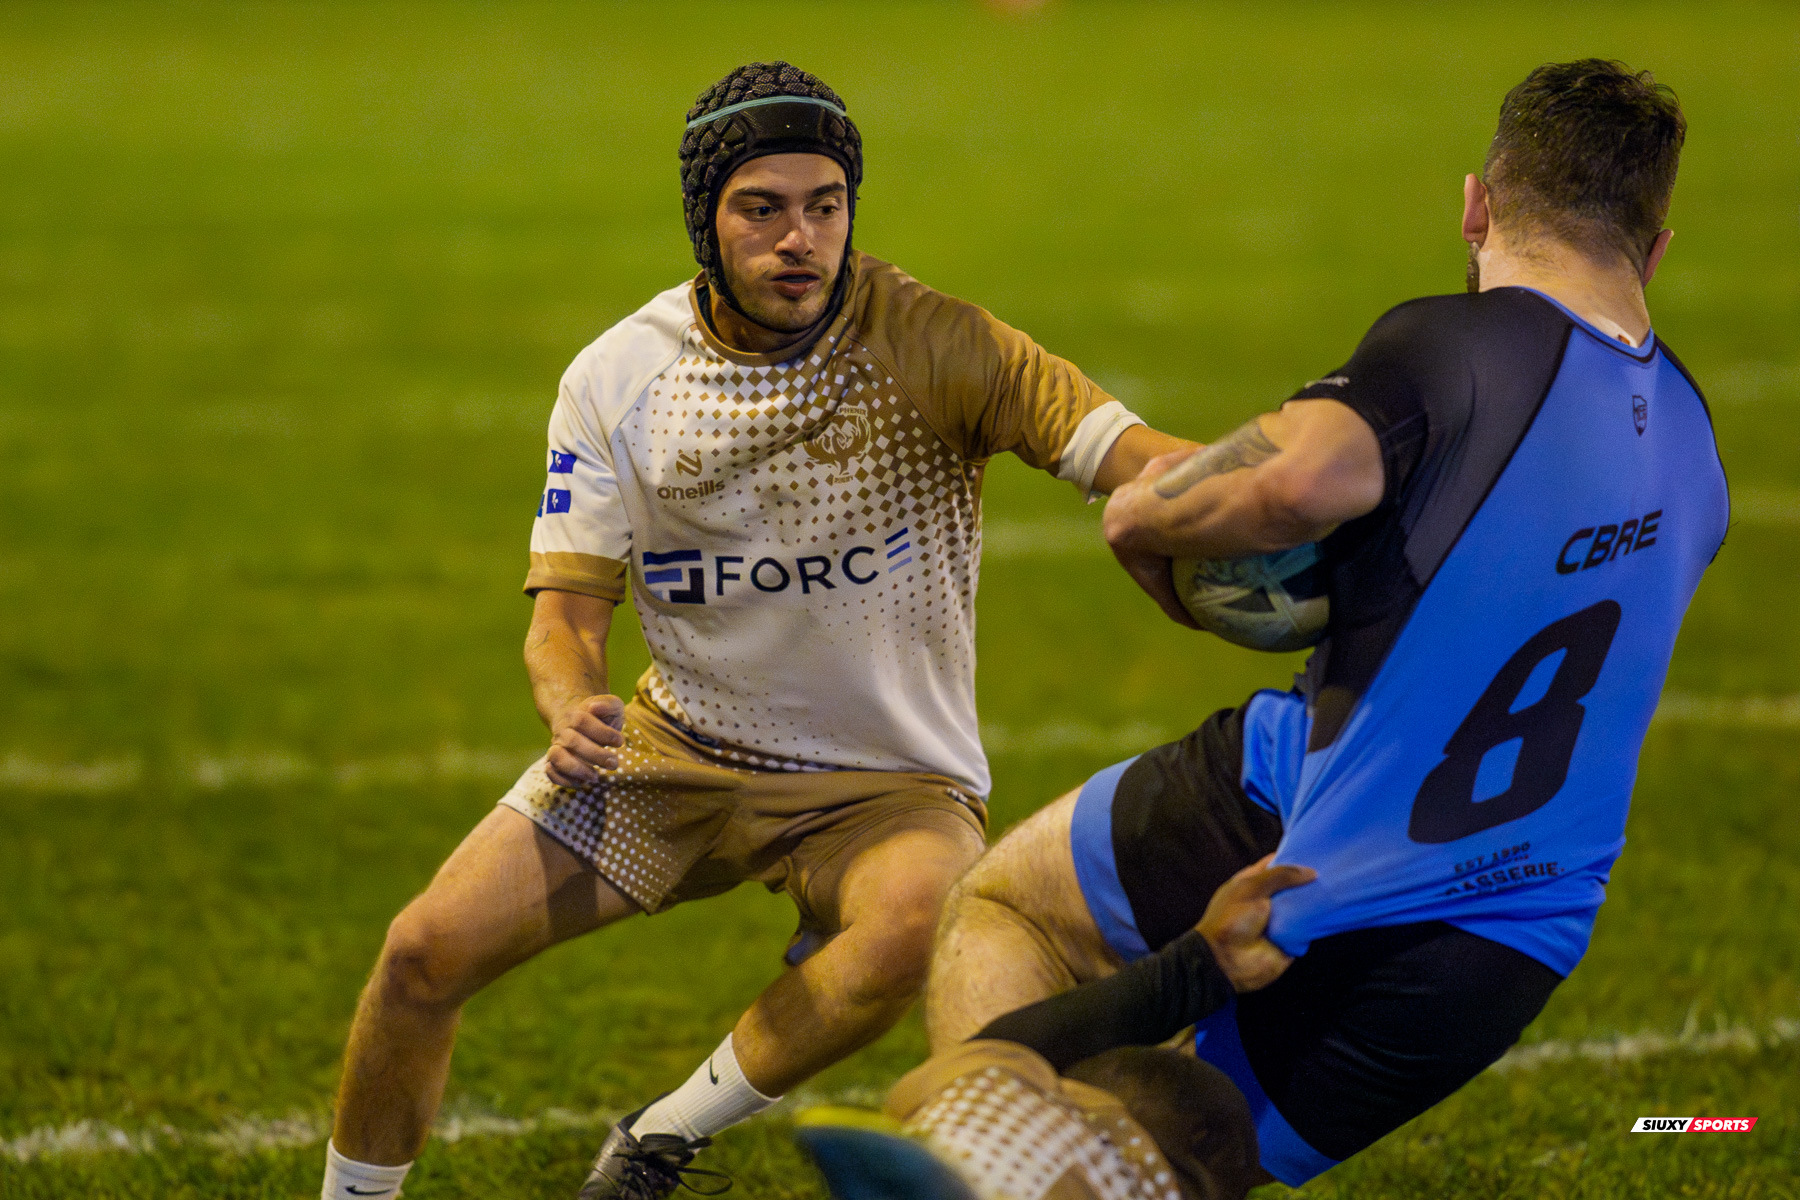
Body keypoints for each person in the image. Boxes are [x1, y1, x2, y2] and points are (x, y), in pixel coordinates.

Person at [318, 61, 1190, 1200]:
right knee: (421, 954)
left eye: (825, 205)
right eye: (762, 208)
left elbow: (1151, 463)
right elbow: (566, 617)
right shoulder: (618, 378)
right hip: (672, 752)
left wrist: (1297, 481)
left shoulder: (942, 344)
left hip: (882, 786)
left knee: (923, 916)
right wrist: (570, 697)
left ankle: (659, 1138)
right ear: (705, 220)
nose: (800, 240)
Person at [857, 58, 1725, 1197]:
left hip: (1325, 844)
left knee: (1015, 923)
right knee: (1174, 1146)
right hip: (1499, 939)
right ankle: (1016, 1167)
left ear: (1477, 204)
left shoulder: (1461, 344)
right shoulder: (1698, 451)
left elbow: (1296, 483)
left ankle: (996, 1163)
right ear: (1656, 246)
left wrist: (1140, 516)